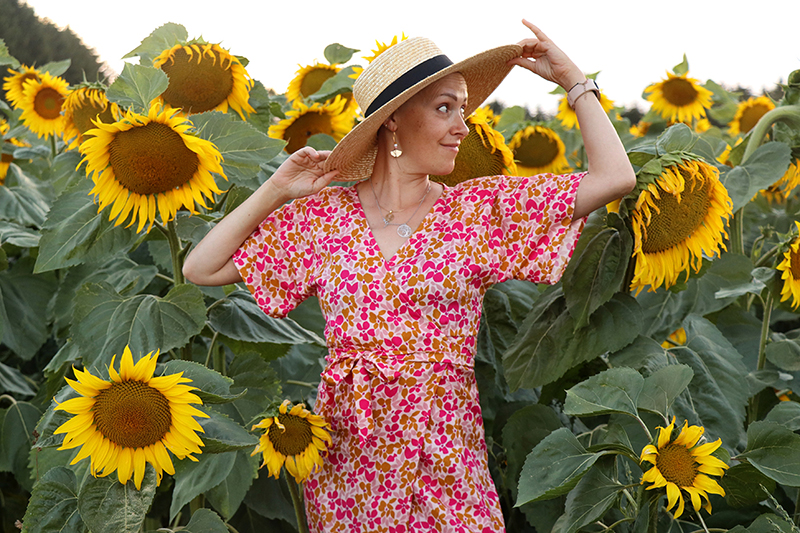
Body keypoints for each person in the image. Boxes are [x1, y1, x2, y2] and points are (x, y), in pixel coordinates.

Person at [183, 19, 636, 533]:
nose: (463, 126)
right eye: (445, 108)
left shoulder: (478, 211)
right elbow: (201, 267)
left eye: (462, 109)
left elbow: (615, 178)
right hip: (349, 465)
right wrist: (278, 189)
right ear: (393, 120)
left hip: (445, 462)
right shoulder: (324, 218)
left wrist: (574, 81)